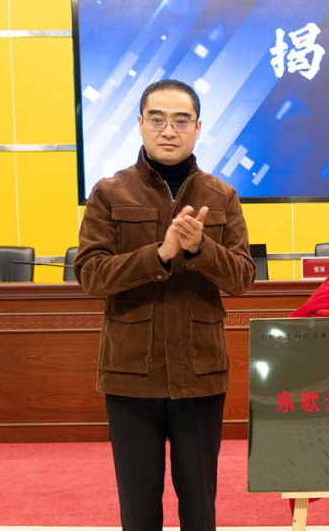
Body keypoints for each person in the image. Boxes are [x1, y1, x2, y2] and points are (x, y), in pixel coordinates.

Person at [75, 79, 256, 531]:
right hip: (131, 372)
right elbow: (91, 274)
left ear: (198, 128)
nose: (168, 130)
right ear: (140, 124)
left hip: (200, 372)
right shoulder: (109, 192)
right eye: (157, 120)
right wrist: (160, 254)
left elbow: (242, 278)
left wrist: (200, 249)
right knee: (138, 508)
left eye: (180, 121)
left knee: (200, 505)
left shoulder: (221, 196)